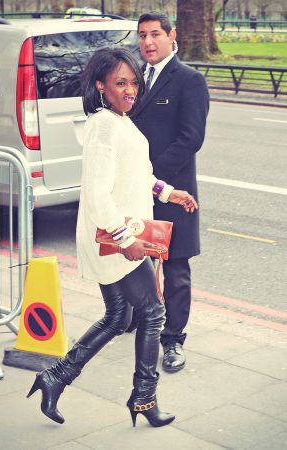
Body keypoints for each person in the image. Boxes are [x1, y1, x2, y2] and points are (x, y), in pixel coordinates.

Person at [27, 48, 198, 427]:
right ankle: (144, 399)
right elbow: (100, 193)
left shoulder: (119, 122)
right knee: (153, 313)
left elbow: (138, 176)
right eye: (120, 83)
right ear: (101, 86)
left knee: (119, 316)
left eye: (134, 82)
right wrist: (126, 241)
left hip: (116, 235)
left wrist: (170, 193)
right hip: (114, 238)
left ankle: (54, 378)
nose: (130, 89)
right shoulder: (104, 125)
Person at [128, 12, 210, 373]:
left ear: (171, 35)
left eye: (155, 34)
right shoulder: (133, 78)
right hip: (136, 192)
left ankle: (173, 340)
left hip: (172, 191)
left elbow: (191, 138)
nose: (148, 42)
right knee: (135, 258)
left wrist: (153, 178)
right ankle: (133, 318)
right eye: (142, 35)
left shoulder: (189, 80)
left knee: (175, 268)